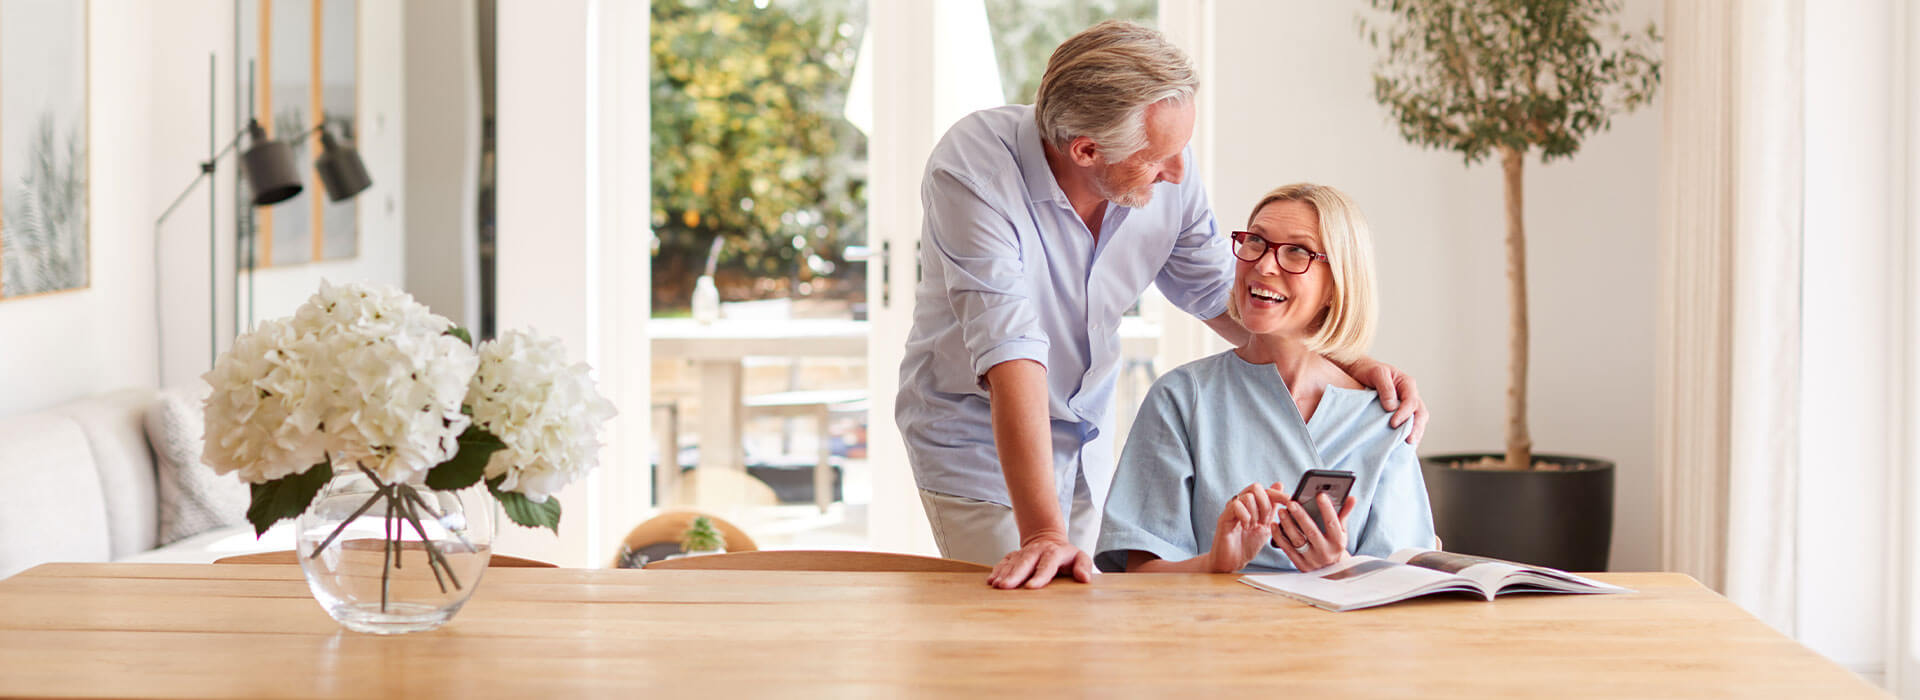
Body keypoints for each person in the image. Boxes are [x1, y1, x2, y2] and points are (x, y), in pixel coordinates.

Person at [895, 20, 1428, 589]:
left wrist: (1344, 360)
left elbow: (1222, 292)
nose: (1177, 172)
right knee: (1021, 615)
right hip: (981, 440)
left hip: (1083, 433)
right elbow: (1011, 351)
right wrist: (1043, 534)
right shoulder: (975, 170)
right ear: (1087, 150)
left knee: (1077, 626)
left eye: (1181, 149)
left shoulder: (1163, 158)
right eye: (1157, 159)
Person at [1095, 183, 1436, 575]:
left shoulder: (1383, 418)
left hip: (1343, 636)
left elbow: (1409, 584)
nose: (1264, 265)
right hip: (1211, 633)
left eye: (1297, 251)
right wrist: (1216, 565)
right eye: (1255, 241)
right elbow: (1139, 574)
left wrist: (1339, 569)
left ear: (1337, 285)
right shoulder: (1183, 397)